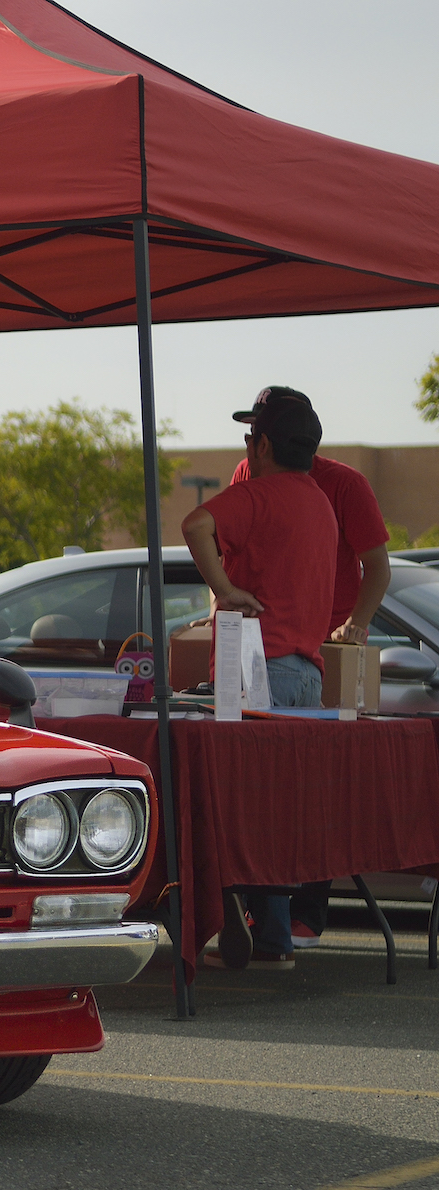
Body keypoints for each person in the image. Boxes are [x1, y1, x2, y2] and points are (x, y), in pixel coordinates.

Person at [227, 386, 391, 949]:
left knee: (308, 789)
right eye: (247, 433)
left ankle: (304, 914)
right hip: (254, 648)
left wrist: (356, 626)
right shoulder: (246, 473)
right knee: (258, 788)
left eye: (256, 432)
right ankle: (259, 919)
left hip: (318, 650)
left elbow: (377, 567)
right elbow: (232, 557)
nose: (250, 443)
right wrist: (219, 620)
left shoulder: (343, 483)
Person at [181, 392, 337, 971]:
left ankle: (243, 924)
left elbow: (196, 523)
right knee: (277, 810)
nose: (247, 448)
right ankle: (273, 933)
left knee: (234, 805)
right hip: (306, 676)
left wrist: (223, 590)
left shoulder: (256, 495)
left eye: (250, 439)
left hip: (255, 667)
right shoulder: (321, 503)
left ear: (264, 445)